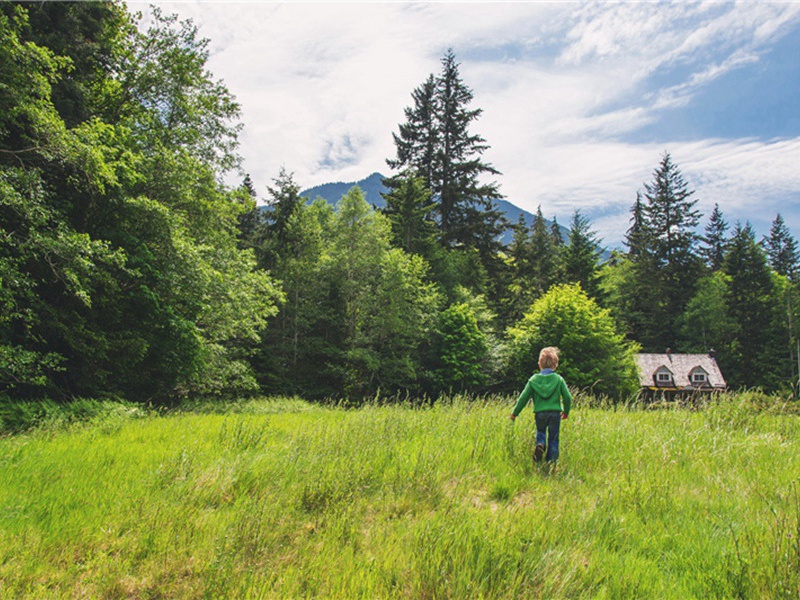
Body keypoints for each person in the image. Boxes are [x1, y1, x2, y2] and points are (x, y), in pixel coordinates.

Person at [510, 346, 572, 463]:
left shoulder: (533, 380)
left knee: (541, 432)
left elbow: (523, 398)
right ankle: (551, 462)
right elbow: (568, 397)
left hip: (540, 413)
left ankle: (540, 444)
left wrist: (515, 413)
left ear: (539, 364)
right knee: (554, 438)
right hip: (555, 413)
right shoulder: (558, 379)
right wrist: (566, 412)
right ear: (555, 365)